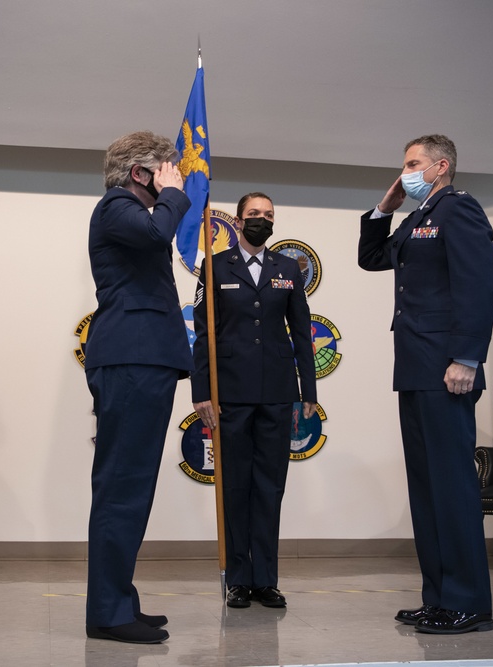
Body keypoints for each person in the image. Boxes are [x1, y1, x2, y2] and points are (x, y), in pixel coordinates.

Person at [357, 135, 493, 634]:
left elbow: (479, 285)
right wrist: (384, 207)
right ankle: (438, 596)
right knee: (426, 488)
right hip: (416, 367)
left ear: (441, 167)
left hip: (446, 369)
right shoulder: (419, 217)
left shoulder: (459, 210)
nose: (405, 173)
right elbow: (372, 257)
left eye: (413, 164)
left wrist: (466, 357)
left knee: (452, 486)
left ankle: (469, 602)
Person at [84, 131, 190, 644]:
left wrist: (168, 196)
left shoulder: (133, 210)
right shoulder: (115, 206)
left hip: (145, 360)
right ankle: (108, 612)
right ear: (139, 173)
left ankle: (119, 600)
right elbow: (155, 236)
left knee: (134, 488)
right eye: (168, 169)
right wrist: (173, 194)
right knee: (121, 487)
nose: (177, 178)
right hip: (130, 359)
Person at [191, 192, 316, 610]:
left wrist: (309, 393)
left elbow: (302, 333)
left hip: (278, 393)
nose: (262, 220)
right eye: (254, 215)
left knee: (269, 488)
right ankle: (238, 579)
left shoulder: (288, 269)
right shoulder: (214, 266)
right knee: (236, 486)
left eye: (269, 215)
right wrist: (200, 391)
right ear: (238, 222)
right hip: (230, 394)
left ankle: (266, 579)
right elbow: (203, 334)